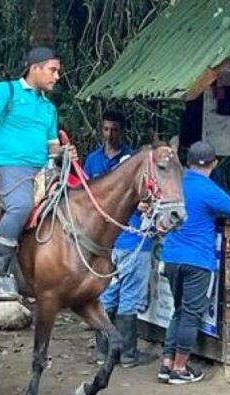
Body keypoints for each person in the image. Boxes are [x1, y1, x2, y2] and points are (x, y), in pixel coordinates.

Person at [0, 46, 73, 300]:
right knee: (20, 206)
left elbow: (52, 147)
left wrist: (64, 153)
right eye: (53, 70)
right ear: (35, 68)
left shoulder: (48, 108)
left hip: (43, 169)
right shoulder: (4, 92)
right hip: (8, 167)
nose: (57, 76)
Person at [159, 141, 230, 384]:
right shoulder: (209, 189)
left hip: (171, 258)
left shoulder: (176, 184)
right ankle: (180, 369)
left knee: (178, 312)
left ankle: (167, 362)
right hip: (198, 260)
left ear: (187, 162)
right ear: (214, 163)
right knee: (190, 315)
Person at [83, 112, 156, 368]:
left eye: (114, 129)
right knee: (120, 295)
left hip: (121, 239)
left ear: (122, 131)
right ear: (100, 130)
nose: (110, 134)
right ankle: (124, 354)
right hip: (117, 241)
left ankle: (107, 352)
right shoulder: (94, 160)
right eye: (106, 129)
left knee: (114, 294)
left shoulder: (133, 160)